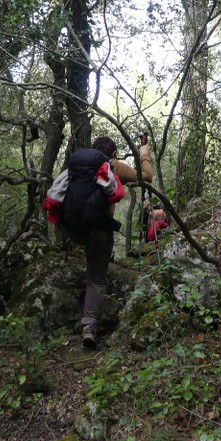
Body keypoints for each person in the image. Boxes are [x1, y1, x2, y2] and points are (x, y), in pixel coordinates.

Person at [81, 134, 153, 348]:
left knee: (91, 267)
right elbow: (146, 176)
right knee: (97, 278)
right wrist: (144, 153)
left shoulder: (81, 165)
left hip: (78, 228)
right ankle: (90, 326)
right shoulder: (112, 165)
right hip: (101, 232)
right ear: (112, 153)